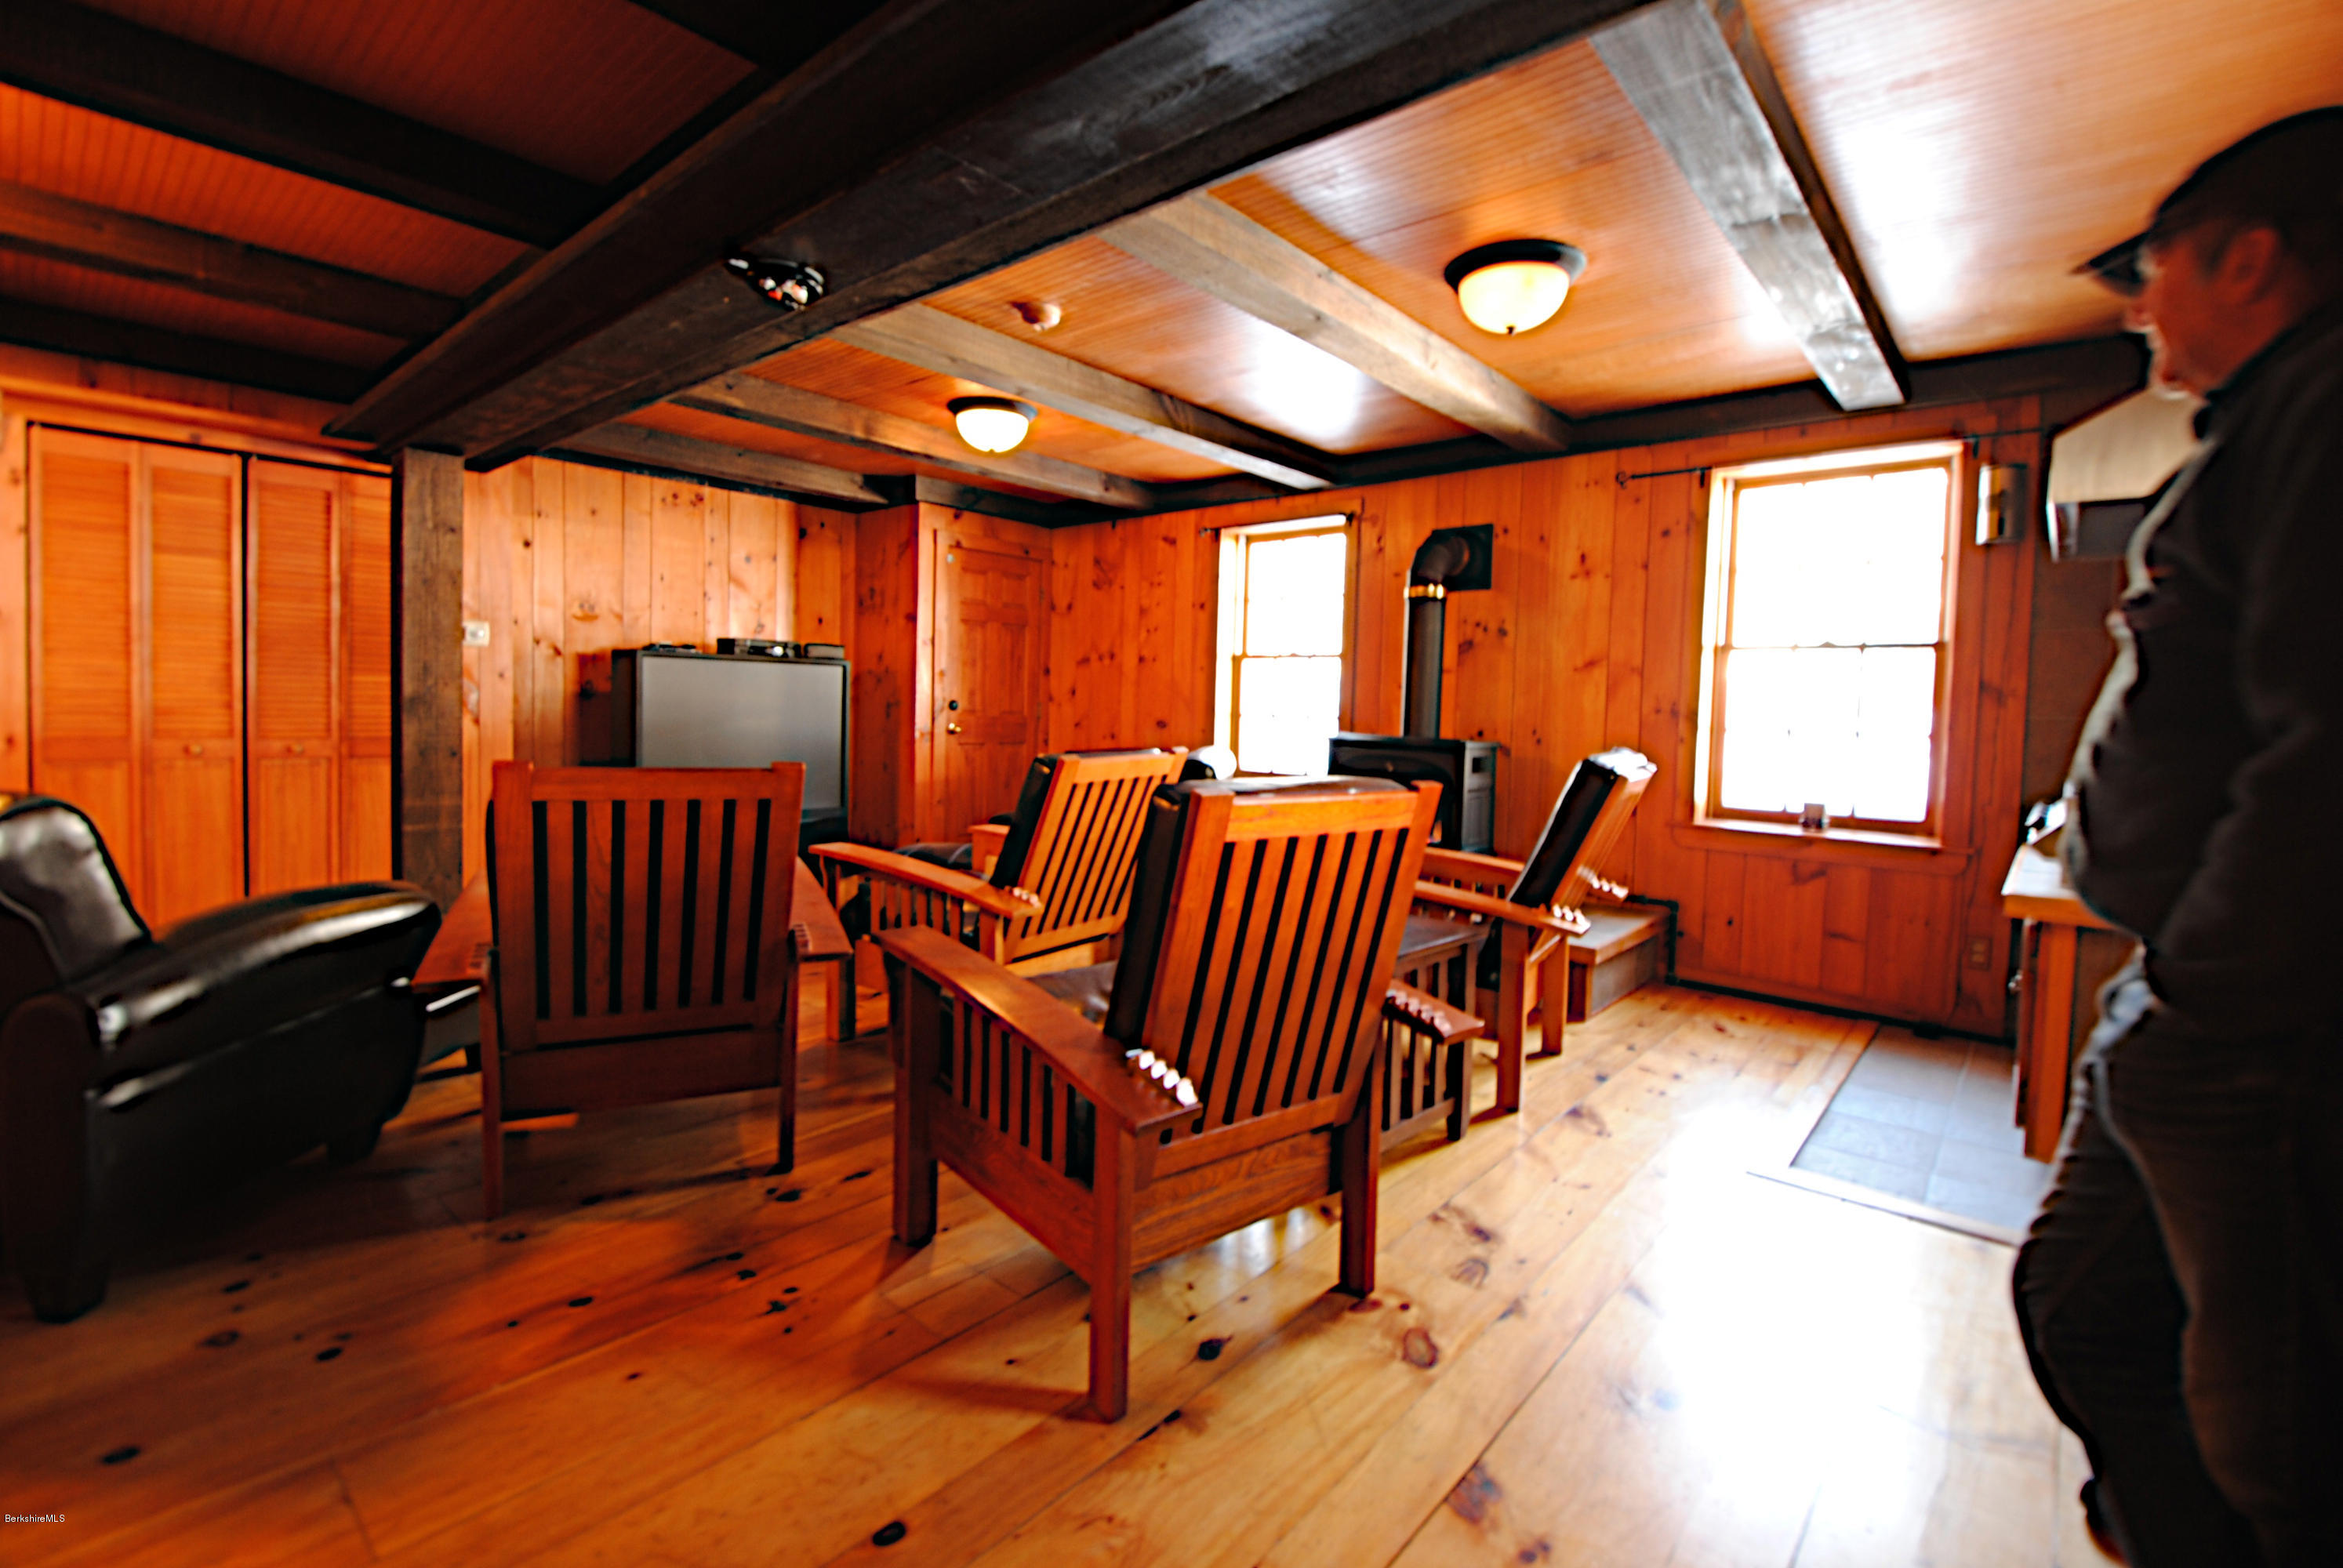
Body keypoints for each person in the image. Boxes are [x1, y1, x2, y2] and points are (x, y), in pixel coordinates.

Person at [2014, 107, 2343, 1567]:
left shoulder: (2323, 402)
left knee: (2282, 1427)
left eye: (2157, 272)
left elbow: (2323, 741)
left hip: (2247, 1020)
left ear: (2251, 259)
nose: (2137, 308)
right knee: (2089, 1307)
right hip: (2205, 998)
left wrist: (2209, 989)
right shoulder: (2279, 422)